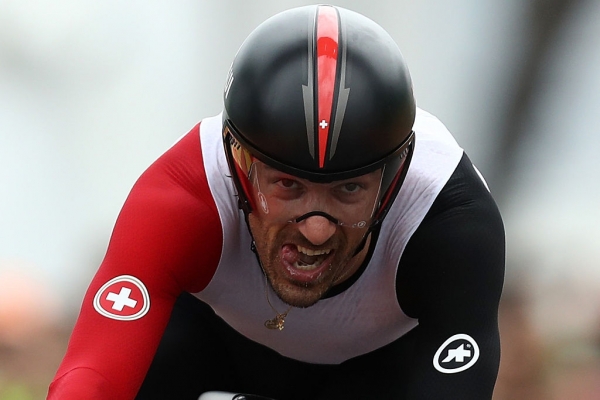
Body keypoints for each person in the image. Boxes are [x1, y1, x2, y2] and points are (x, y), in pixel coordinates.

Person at [48, 4, 505, 400]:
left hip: (377, 372)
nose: (316, 228)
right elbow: (92, 377)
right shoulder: (186, 194)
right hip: (206, 348)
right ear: (240, 165)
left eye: (349, 189)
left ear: (394, 181)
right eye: (288, 186)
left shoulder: (447, 218)